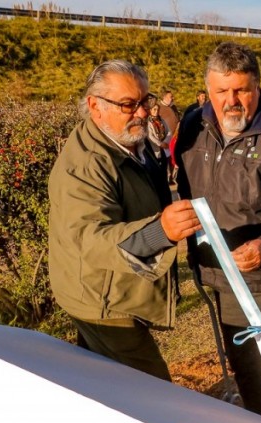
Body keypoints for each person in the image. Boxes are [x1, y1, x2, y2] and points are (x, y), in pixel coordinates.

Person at [174, 42, 261, 421]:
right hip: (221, 278)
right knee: (249, 377)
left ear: (258, 87)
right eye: (222, 91)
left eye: (242, 90)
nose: (232, 101)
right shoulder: (193, 126)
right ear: (208, 90)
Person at [48, 60, 202, 381]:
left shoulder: (130, 139)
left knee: (105, 390)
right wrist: (161, 231)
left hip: (114, 289)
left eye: (146, 100)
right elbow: (92, 239)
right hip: (103, 303)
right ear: (95, 106)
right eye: (128, 104)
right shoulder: (86, 165)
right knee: (153, 392)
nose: (143, 113)